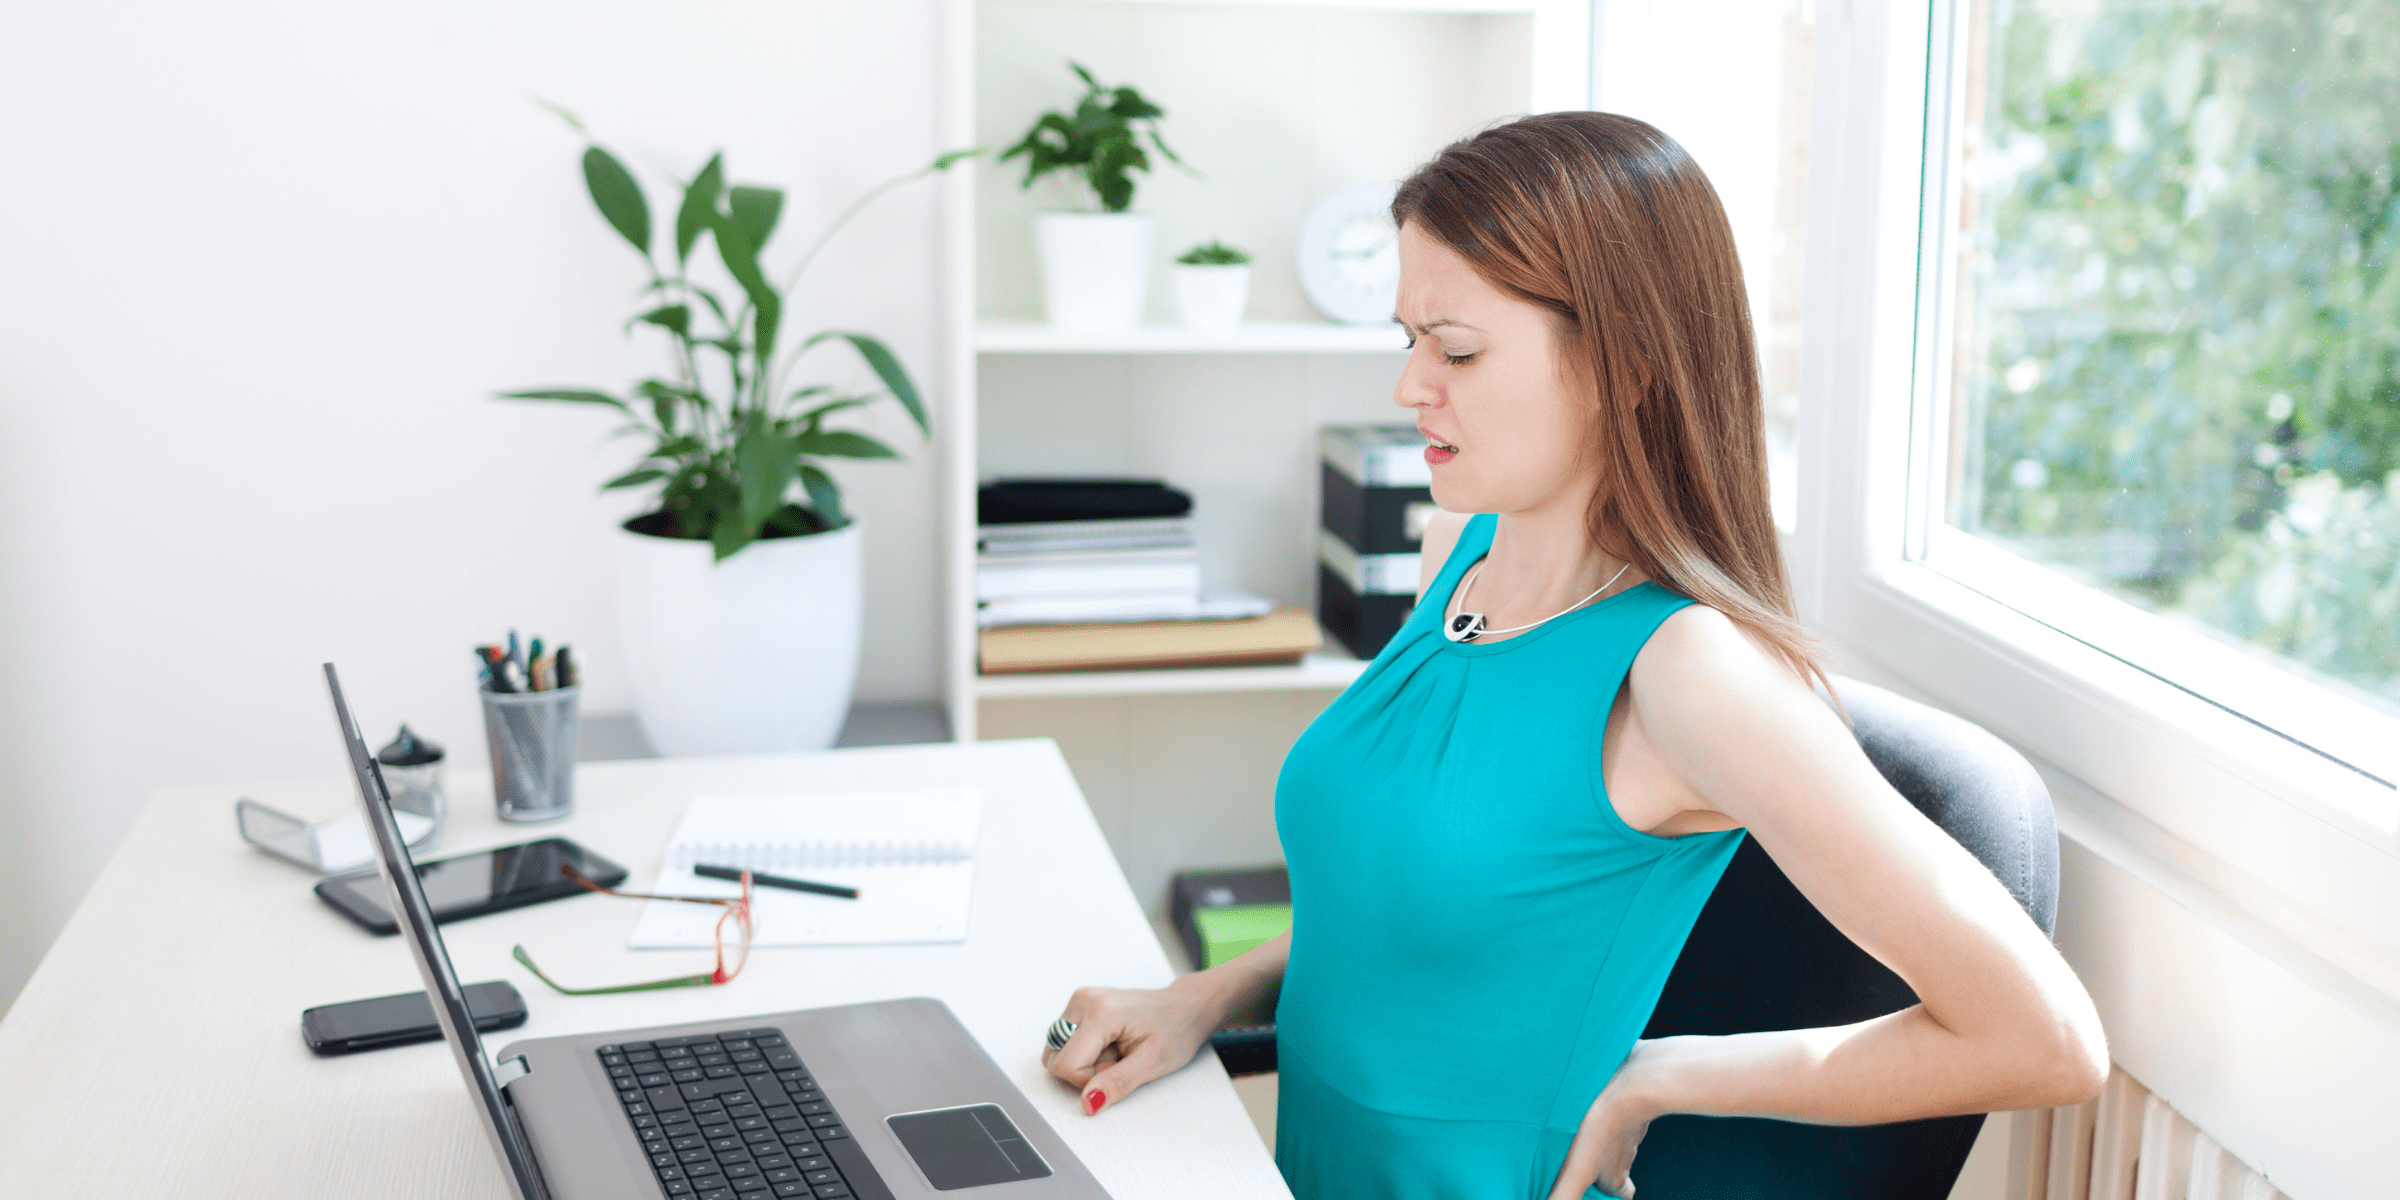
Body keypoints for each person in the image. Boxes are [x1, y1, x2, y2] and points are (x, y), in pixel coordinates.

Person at [1041, 112, 2108, 1200]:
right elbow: (1406, 920)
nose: (1412, 387)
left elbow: (2048, 1039)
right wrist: (1204, 999)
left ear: (1626, 363)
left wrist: (1670, 1073)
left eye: (1455, 349)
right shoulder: (1455, 558)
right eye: (1406, 341)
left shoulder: (1690, 673)